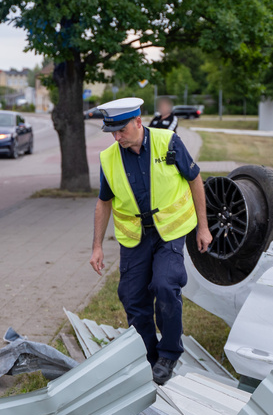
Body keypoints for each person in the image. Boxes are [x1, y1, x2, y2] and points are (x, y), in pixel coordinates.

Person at [89, 97, 212, 385]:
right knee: (132, 297)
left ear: (138, 122)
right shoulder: (109, 158)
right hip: (135, 236)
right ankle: (148, 354)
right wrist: (96, 246)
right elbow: (103, 202)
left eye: (121, 130)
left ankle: (169, 353)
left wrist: (203, 227)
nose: (117, 137)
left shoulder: (168, 142)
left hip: (170, 230)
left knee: (165, 284)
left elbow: (195, 179)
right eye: (112, 132)